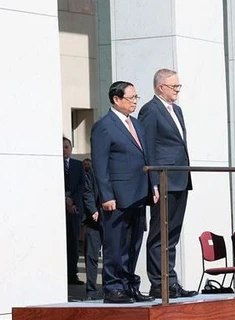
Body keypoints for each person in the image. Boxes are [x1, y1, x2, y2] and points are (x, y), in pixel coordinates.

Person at [91, 81, 158, 303]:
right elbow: (100, 165)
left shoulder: (137, 124)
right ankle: (113, 287)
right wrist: (107, 195)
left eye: (136, 98)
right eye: (131, 98)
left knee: (133, 243)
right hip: (117, 197)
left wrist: (153, 185)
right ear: (116, 99)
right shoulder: (104, 125)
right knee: (115, 243)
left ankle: (130, 285)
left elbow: (147, 157)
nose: (135, 102)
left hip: (139, 194)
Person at [138, 68, 197, 298]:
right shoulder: (150, 111)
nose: (178, 91)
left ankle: (170, 280)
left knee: (172, 233)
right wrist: (152, 182)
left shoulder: (177, 111)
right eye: (174, 87)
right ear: (161, 87)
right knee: (159, 233)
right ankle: (158, 282)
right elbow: (149, 148)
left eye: (179, 86)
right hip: (163, 180)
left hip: (180, 178)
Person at [63, 137, 85, 285]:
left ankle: (72, 274)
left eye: (66, 147)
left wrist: (72, 201)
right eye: (62, 147)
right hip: (60, 207)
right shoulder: (52, 165)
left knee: (73, 242)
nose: (64, 150)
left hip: (74, 209)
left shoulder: (78, 165)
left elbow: (81, 186)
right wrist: (65, 200)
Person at [82, 167, 103, 300]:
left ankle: (108, 288)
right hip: (94, 219)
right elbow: (87, 192)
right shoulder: (92, 172)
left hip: (112, 220)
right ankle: (91, 291)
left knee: (111, 257)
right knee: (91, 256)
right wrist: (93, 210)